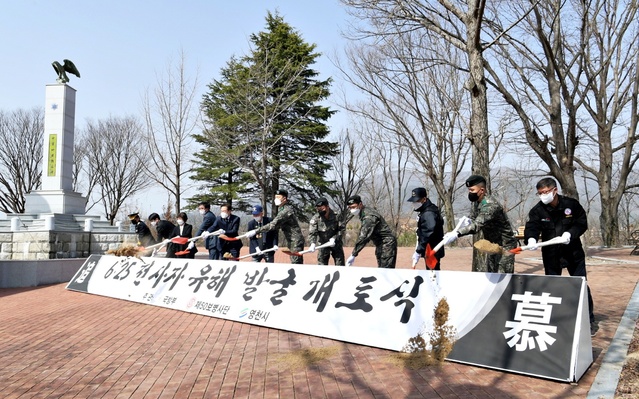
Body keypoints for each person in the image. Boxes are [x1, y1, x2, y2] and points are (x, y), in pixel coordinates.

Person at [523, 177, 596, 334]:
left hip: (573, 253)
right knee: (552, 287)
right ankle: (555, 319)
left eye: (545, 192)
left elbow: (581, 222)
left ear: (554, 190)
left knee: (580, 285)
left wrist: (570, 234)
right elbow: (532, 226)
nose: (543, 196)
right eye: (540, 193)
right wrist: (531, 238)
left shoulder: (571, 205)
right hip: (552, 255)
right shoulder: (537, 210)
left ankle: (588, 320)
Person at [441, 175, 517, 273]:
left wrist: (457, 233)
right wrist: (468, 221)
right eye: (469, 190)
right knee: (492, 274)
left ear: (481, 190)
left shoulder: (490, 205)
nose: (470, 193)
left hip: (505, 245)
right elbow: (474, 219)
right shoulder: (477, 202)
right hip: (493, 245)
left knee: (502, 277)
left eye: (472, 190)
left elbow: (477, 225)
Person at [247, 189, 305, 264]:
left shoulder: (286, 210)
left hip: (295, 240)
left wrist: (256, 231)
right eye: (275, 197)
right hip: (291, 239)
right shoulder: (281, 209)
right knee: (294, 261)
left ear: (284, 198)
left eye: (278, 197)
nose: (276, 199)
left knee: (296, 262)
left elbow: (273, 225)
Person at [345, 195, 397, 268]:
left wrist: (354, 254)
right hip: (380, 244)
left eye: (353, 207)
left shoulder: (368, 216)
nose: (352, 210)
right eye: (350, 208)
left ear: (360, 204)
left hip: (387, 244)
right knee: (381, 269)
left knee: (386, 270)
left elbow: (364, 236)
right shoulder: (363, 213)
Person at [407, 187, 445, 270]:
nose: (414, 203)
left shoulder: (428, 213)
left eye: (417, 201)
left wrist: (418, 251)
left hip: (432, 249)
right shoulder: (426, 210)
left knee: (432, 274)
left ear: (424, 199)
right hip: (429, 248)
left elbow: (427, 233)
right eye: (414, 201)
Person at [308, 197, 345, 266]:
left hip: (336, 244)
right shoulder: (316, 218)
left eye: (322, 209)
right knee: (322, 266)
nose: (321, 211)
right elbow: (312, 233)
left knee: (340, 265)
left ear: (327, 206)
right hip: (323, 244)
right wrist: (312, 243)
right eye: (318, 209)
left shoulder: (337, 216)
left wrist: (334, 238)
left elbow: (342, 229)